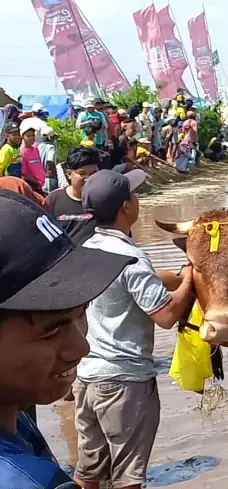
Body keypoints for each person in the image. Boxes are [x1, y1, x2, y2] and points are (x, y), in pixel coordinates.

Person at [0, 188, 134, 489]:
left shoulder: (15, 415)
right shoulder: (29, 482)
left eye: (81, 312)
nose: (82, 348)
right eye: (51, 329)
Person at [73, 170, 195, 489]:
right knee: (128, 477)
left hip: (86, 375)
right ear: (126, 207)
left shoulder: (83, 247)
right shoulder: (130, 257)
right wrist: (191, 280)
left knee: (89, 470)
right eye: (134, 194)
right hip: (124, 383)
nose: (137, 199)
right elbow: (166, 316)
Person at [44, 146, 101, 244]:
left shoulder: (102, 200)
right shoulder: (53, 199)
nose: (87, 179)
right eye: (82, 173)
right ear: (69, 174)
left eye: (93, 174)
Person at [19, 126, 46, 193]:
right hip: (32, 185)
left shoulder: (35, 148)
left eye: (33, 135)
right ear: (22, 137)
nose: (32, 138)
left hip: (40, 185)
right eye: (28, 136)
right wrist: (37, 182)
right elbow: (24, 173)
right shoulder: (22, 152)